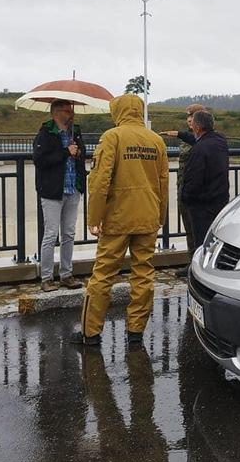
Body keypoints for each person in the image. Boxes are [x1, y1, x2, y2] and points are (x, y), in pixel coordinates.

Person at [70, 94, 169, 347]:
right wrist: (161, 215)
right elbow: (163, 183)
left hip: (118, 218)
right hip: (147, 216)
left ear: (118, 111)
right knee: (144, 273)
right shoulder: (156, 140)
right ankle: (136, 331)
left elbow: (100, 180)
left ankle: (90, 332)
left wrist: (94, 218)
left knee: (103, 274)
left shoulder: (112, 137)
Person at [33, 99, 87, 291]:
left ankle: (66, 274)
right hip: (52, 191)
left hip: (72, 189)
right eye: (67, 110)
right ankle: (47, 278)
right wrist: (66, 152)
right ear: (56, 113)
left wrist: (78, 152)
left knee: (69, 234)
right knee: (50, 234)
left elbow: (82, 155)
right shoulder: (46, 133)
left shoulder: (75, 131)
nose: (71, 113)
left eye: (71, 109)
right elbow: (40, 160)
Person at [160, 103, 206, 277]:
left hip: (196, 192)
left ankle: (199, 265)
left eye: (192, 117)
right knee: (189, 228)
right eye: (187, 117)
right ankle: (191, 262)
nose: (188, 120)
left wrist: (180, 134)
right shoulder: (191, 137)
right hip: (184, 188)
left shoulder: (203, 138)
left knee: (198, 230)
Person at [180, 111, 230, 252]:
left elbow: (194, 177)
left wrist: (186, 197)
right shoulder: (220, 141)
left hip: (202, 204)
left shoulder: (200, 148)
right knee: (216, 238)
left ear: (197, 127)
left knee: (201, 243)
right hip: (219, 198)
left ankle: (200, 269)